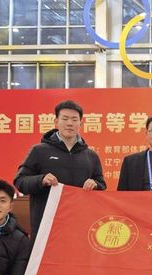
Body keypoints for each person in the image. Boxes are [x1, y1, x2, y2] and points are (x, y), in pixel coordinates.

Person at [14, 100, 106, 240]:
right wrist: (41, 180)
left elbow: (101, 185)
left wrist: (95, 184)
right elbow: (20, 181)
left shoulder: (91, 156)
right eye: (65, 118)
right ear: (56, 122)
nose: (70, 123)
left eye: (74, 119)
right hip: (47, 225)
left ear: (80, 123)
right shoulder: (39, 151)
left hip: (81, 225)